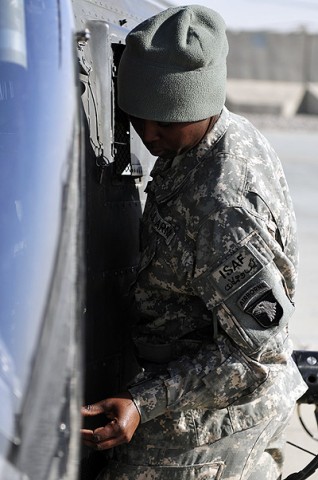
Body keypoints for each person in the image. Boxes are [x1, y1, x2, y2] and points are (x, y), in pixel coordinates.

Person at [80, 5, 307, 479]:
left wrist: (143, 402)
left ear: (201, 103)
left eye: (165, 119)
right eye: (139, 118)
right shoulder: (197, 140)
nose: (149, 133)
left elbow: (257, 357)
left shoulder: (225, 207)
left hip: (214, 417)